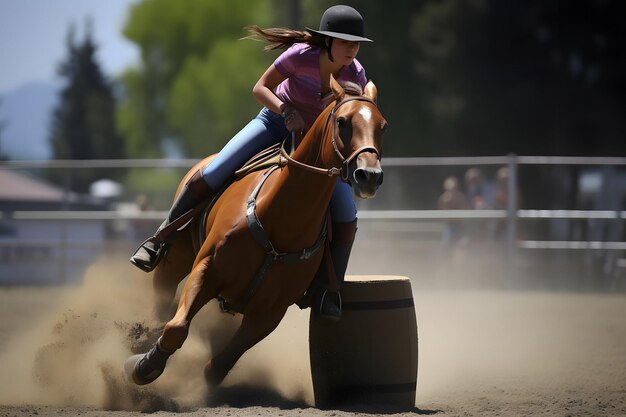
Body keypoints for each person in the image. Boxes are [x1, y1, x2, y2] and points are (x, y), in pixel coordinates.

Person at [130, 5, 373, 320]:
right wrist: (286, 112)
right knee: (217, 169)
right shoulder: (300, 55)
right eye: (344, 41)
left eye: (355, 43)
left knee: (346, 213)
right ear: (326, 40)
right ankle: (160, 239)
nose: (351, 48)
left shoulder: (356, 73)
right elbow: (260, 87)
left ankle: (329, 289)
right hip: (272, 123)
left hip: (313, 147)